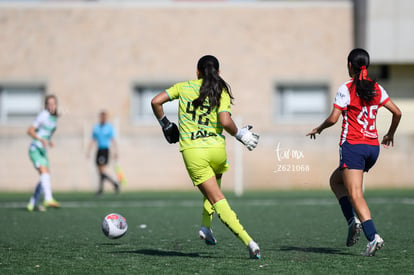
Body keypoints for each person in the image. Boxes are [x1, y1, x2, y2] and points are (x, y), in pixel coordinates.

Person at [151, 55, 261, 259]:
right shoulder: (221, 90)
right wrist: (240, 134)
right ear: (218, 73)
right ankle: (205, 227)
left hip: (193, 152)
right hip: (217, 149)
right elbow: (225, 121)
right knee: (214, 187)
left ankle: (250, 242)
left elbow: (156, 101)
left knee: (216, 198)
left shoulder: (182, 87)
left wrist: (166, 124)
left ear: (197, 72)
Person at [307, 48, 402, 256]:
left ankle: (373, 236)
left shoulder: (347, 88)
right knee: (336, 181)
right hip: (373, 148)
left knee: (356, 194)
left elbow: (333, 118)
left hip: (354, 147)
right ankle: (353, 221)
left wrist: (319, 128)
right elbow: (397, 112)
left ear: (350, 65)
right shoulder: (376, 88)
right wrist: (390, 134)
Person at [27, 94, 61, 211]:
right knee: (44, 173)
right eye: (49, 103)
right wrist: (40, 139)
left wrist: (49, 141)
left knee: (44, 176)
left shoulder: (54, 118)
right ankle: (48, 198)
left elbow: (48, 133)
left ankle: (33, 202)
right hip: (35, 148)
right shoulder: (43, 115)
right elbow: (30, 130)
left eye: (54, 103)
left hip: (43, 150)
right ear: (46, 105)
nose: (52, 106)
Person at [86, 111, 120, 195]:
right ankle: (112, 185)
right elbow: (93, 139)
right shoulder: (96, 127)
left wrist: (116, 151)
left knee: (101, 170)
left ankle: (104, 188)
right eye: (102, 117)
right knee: (100, 171)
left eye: (105, 117)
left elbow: (113, 140)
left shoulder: (109, 127)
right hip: (99, 150)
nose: (103, 119)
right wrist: (88, 151)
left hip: (105, 150)